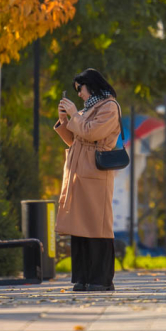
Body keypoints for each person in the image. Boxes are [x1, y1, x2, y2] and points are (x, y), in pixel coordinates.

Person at [54, 68, 122, 292]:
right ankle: (83, 277)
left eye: (80, 89)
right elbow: (74, 140)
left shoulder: (109, 107)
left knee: (97, 224)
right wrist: (64, 120)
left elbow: (92, 133)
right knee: (79, 225)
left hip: (94, 170)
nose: (79, 95)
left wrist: (74, 115)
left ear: (91, 86)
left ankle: (101, 279)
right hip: (78, 170)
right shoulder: (88, 109)